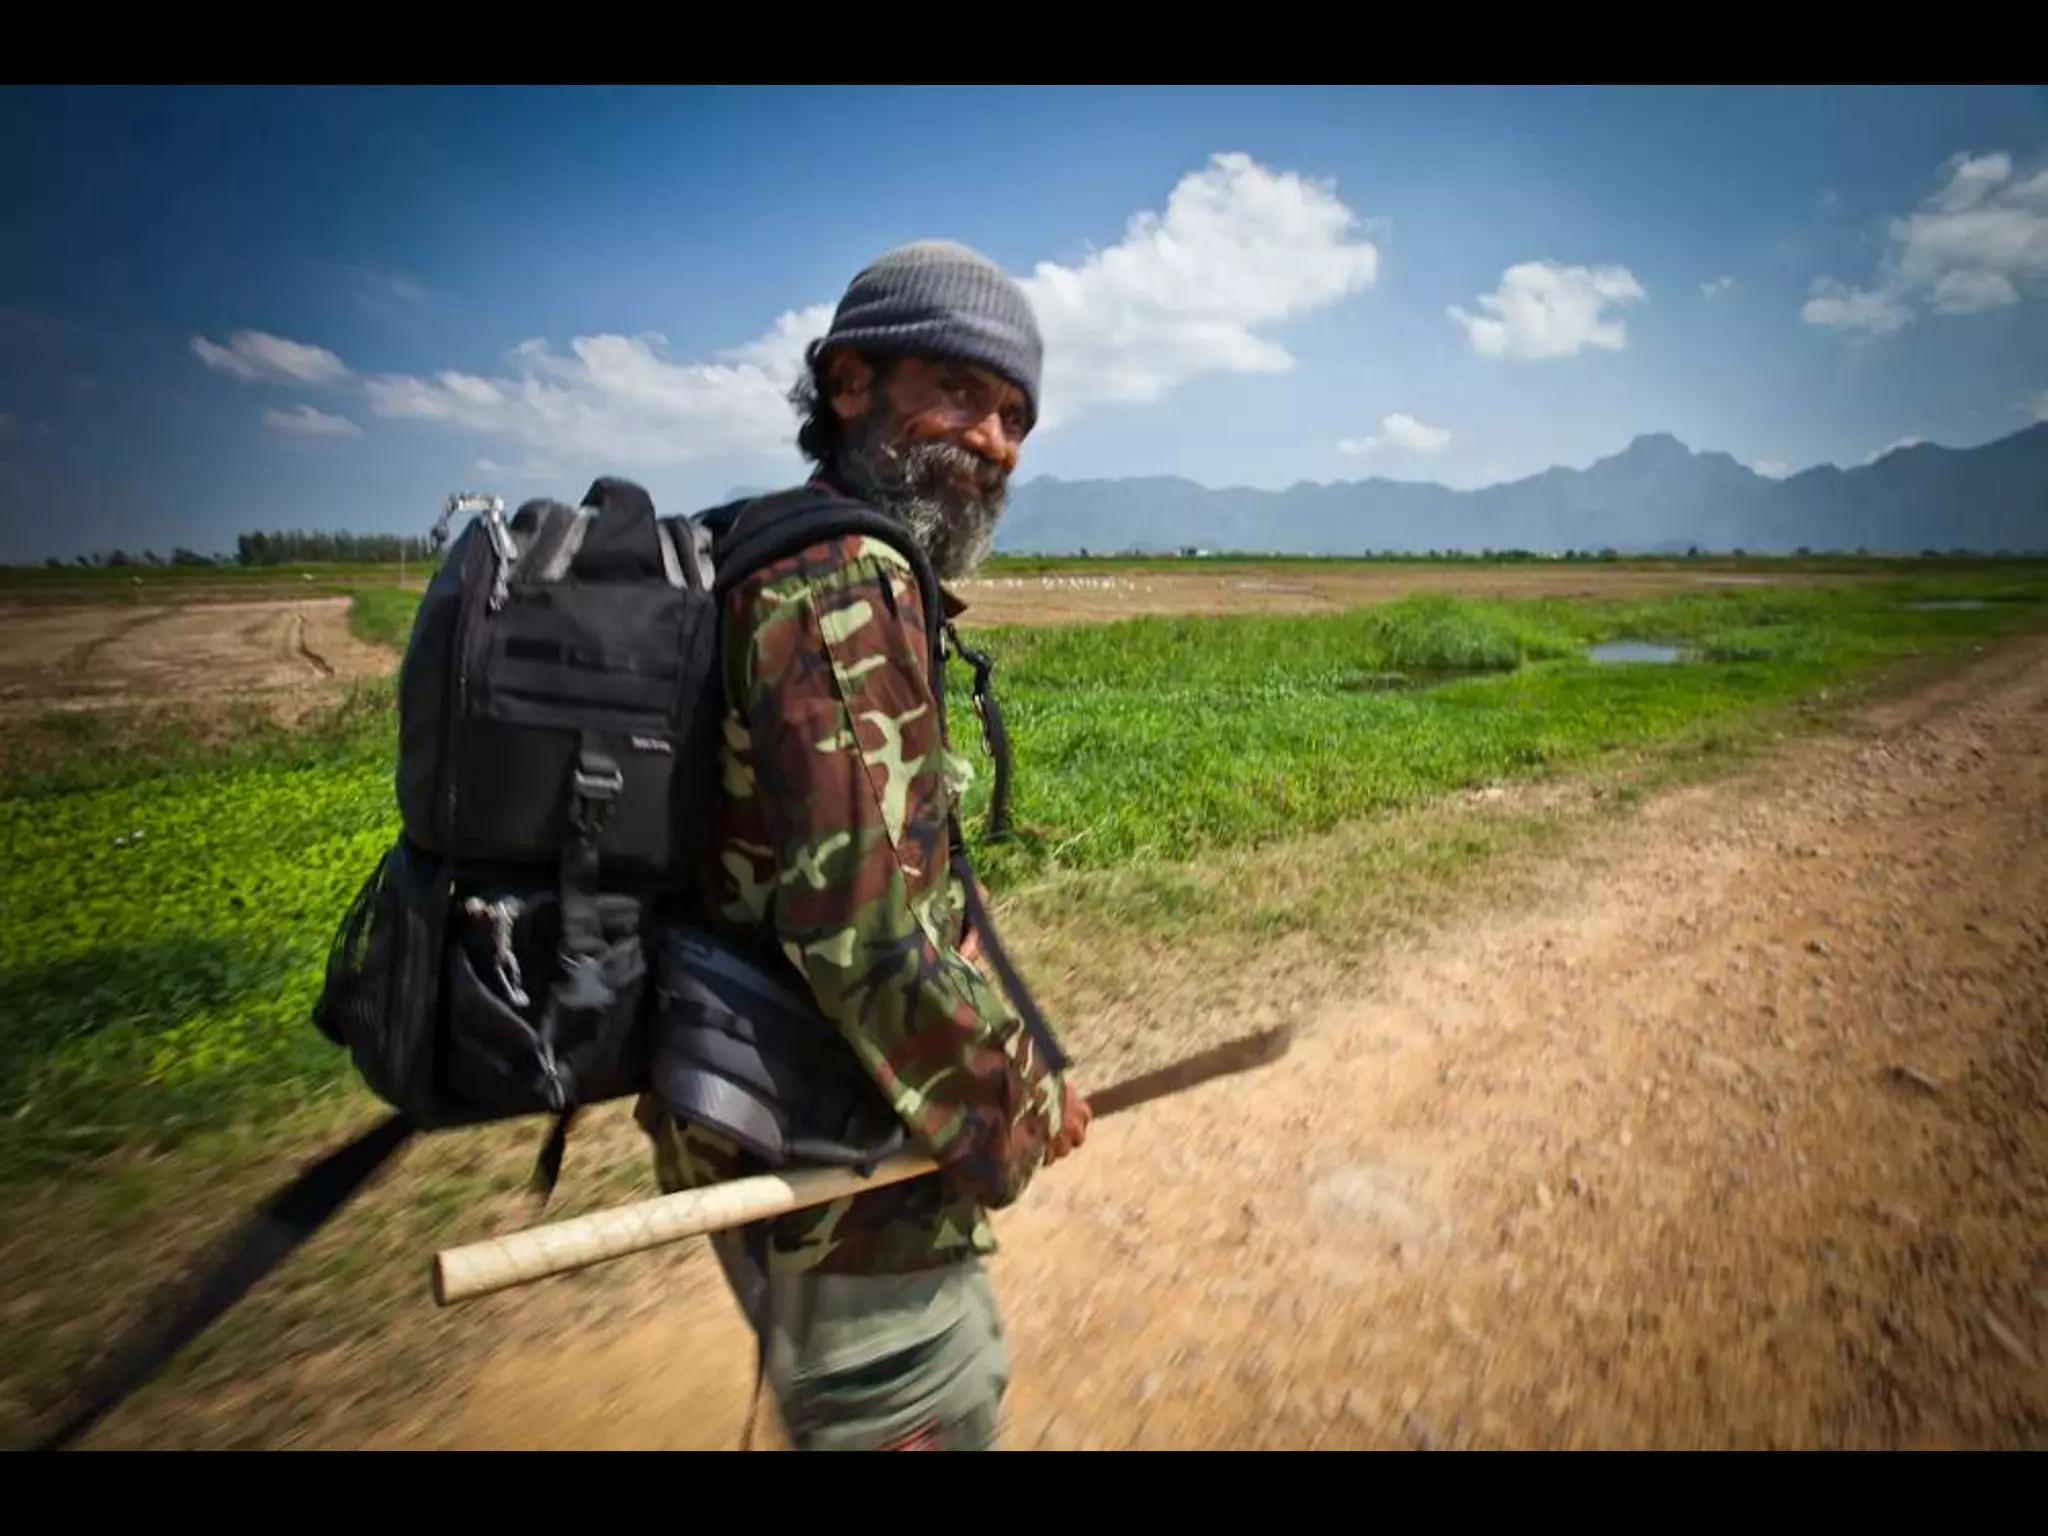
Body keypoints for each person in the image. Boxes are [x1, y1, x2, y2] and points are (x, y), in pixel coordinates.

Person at [635, 239, 1091, 1451]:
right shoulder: (840, 577)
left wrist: (1019, 1056)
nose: (991, 440)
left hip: (743, 1094)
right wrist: (1006, 1097)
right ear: (848, 384)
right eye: (957, 391)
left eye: (1012, 417)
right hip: (832, 1135)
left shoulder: (774, 545)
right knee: (920, 1409)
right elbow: (867, 935)